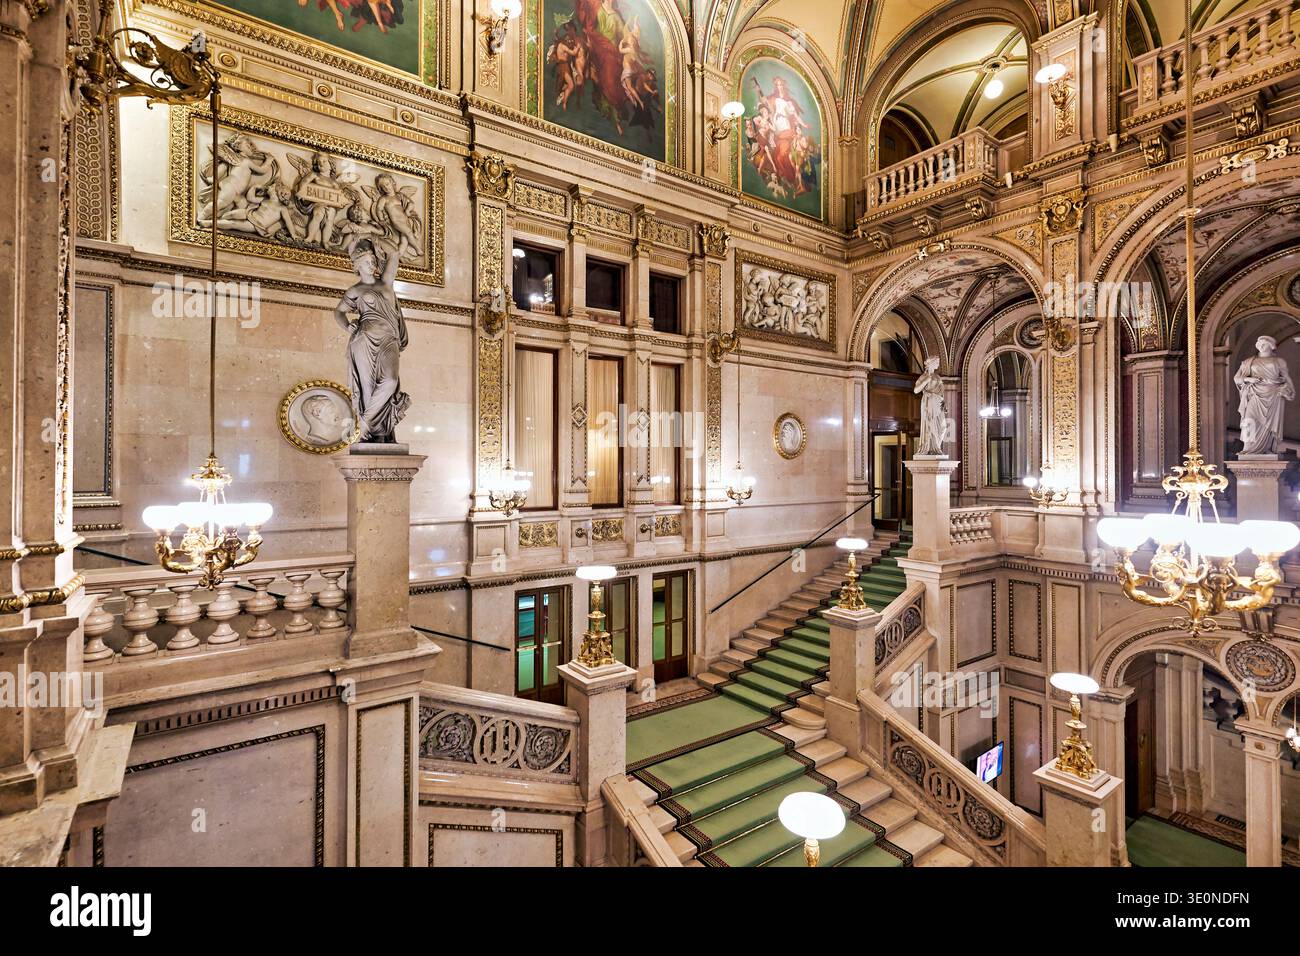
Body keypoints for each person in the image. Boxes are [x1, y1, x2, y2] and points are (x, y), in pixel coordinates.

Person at [333, 237, 410, 444]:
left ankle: (363, 424)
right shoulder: (354, 291)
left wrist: (375, 237)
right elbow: (339, 312)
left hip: (388, 340)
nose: (373, 264)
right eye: (368, 262)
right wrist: (347, 325)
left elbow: (393, 254)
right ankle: (378, 435)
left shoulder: (386, 283)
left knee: (390, 382)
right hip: (364, 340)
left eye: (374, 261)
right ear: (357, 266)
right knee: (368, 389)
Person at [1235, 334, 1294, 455]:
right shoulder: (1248, 362)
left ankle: (1267, 448)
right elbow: (1237, 378)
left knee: (1268, 423)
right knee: (1249, 420)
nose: (1261, 346)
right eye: (1259, 344)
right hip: (1253, 394)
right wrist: (1248, 379)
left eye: (1264, 343)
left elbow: (1286, 377)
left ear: (1271, 346)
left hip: (1273, 394)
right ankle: (1247, 447)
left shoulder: (1278, 361)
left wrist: (1291, 391)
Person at [913, 356, 948, 457]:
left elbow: (941, 392)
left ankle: (936, 446)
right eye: (936, 362)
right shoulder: (924, 376)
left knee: (943, 426)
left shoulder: (937, 377)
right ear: (931, 363)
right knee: (931, 425)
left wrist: (944, 403)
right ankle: (931, 448)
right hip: (929, 402)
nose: (938, 364)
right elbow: (916, 390)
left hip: (938, 402)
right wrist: (925, 381)